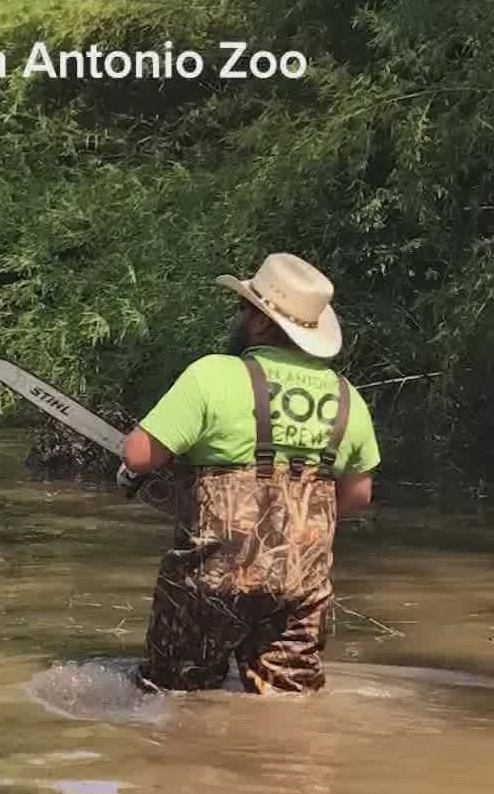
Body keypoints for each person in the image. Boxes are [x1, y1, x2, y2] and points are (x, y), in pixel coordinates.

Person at [116, 253, 380, 694]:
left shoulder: (213, 375)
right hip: (301, 586)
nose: (237, 317)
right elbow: (356, 497)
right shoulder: (347, 396)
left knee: (173, 698)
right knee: (289, 705)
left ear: (259, 322)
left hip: (213, 579)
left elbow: (138, 454)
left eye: (243, 308)